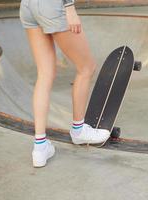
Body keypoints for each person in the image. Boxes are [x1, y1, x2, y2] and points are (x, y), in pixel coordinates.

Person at [19, 0, 110, 168]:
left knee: (44, 74)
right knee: (86, 67)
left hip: (28, 6)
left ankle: (39, 147)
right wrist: (69, 7)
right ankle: (79, 130)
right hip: (54, 6)